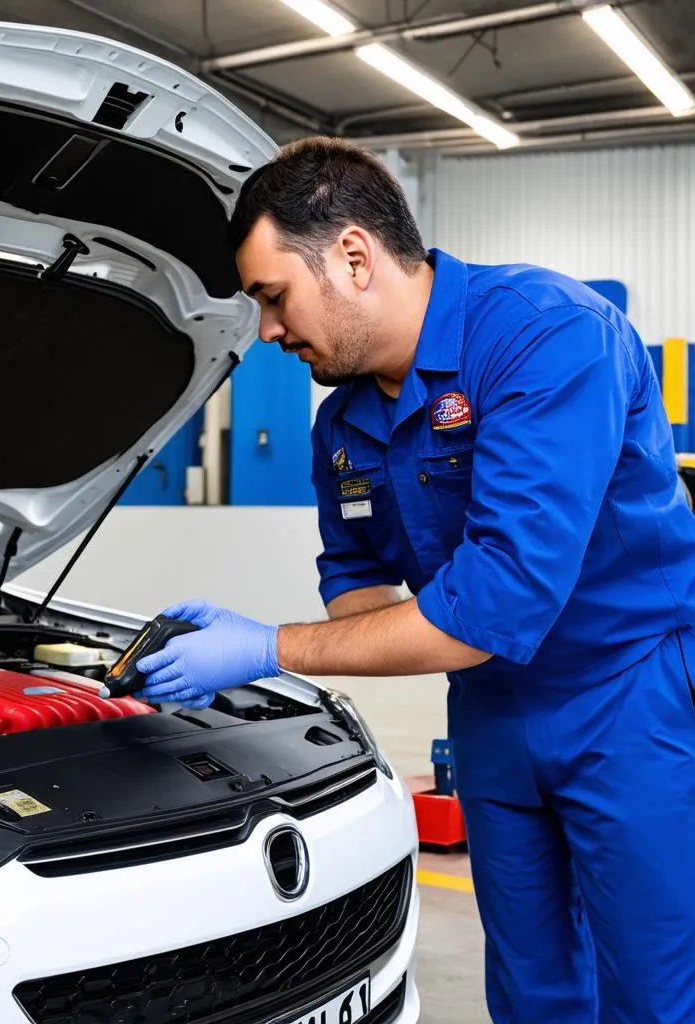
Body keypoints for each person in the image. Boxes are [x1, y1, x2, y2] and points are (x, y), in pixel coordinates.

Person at [134, 136, 695, 1023]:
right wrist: (311, 643)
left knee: (656, 988)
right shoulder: (341, 426)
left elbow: (498, 601)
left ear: (353, 256)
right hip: (488, 710)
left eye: (273, 299)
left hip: (626, 698)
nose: (271, 333)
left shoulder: (546, 335)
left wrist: (268, 647)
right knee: (535, 989)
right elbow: (359, 580)